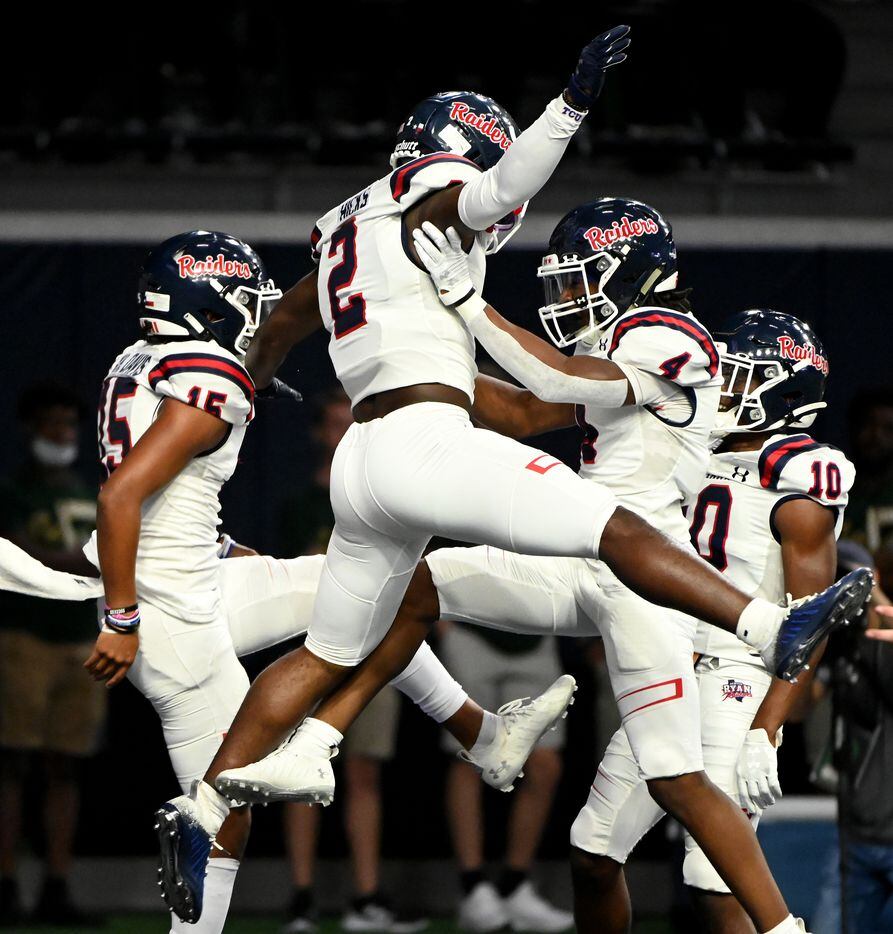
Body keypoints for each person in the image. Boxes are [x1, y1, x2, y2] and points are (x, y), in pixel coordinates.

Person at [158, 35, 869, 931]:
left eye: (580, 275)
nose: (560, 286)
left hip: (387, 466)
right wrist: (566, 109)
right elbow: (516, 275)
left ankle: (219, 798)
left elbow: (302, 335)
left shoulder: (659, 330)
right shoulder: (444, 206)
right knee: (596, 546)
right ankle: (772, 627)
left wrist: (251, 381)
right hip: (527, 509)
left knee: (383, 619)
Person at [0, 230, 570, 934]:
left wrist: (218, 548)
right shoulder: (210, 375)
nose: (255, 314)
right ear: (211, 305)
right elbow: (120, 499)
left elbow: (158, 501)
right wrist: (121, 619)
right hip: (173, 619)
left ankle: (480, 734)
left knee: (383, 587)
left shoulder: (137, 359)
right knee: (222, 817)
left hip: (195, 581)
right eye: (243, 300)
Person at [566, 310, 852, 933]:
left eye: (738, 376)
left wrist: (767, 729)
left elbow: (811, 623)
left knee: (713, 883)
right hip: (667, 663)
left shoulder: (800, 478)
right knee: (592, 851)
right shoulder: (695, 442)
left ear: (783, 387)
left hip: (735, 681)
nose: (721, 388)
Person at [280, 389, 427, 933]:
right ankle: (300, 899)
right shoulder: (299, 507)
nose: (344, 433)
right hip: (314, 655)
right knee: (298, 774)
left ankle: (366, 898)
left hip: (372, 656)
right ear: (320, 433)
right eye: (334, 423)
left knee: (364, 776)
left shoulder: (385, 503)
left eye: (353, 423)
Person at [0, 384, 104, 928]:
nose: (61, 434)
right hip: (24, 635)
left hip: (79, 637)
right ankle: (6, 882)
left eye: (68, 423)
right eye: (51, 424)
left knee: (66, 766)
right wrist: (79, 565)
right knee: (11, 761)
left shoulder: (90, 490)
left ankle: (57, 885)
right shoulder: (13, 490)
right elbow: (16, 551)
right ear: (30, 428)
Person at [439, 620, 573, 933]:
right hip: (468, 628)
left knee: (545, 764)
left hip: (534, 636)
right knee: (469, 758)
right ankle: (472, 888)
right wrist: (443, 621)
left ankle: (513, 885)